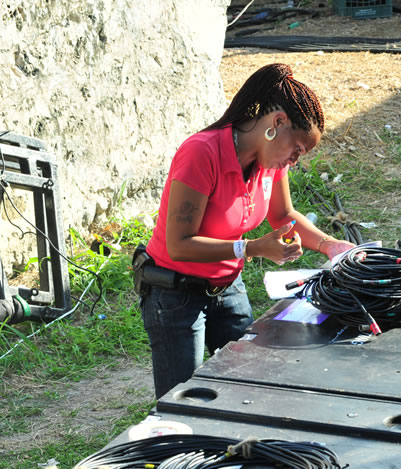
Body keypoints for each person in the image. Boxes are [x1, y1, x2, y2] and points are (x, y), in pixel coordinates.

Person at [139, 63, 355, 399]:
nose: (294, 161)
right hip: (175, 294)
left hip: (227, 287)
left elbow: (283, 214)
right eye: (296, 150)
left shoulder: (269, 163)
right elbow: (179, 245)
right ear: (277, 123)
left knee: (253, 385)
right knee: (182, 401)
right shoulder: (202, 152)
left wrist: (329, 245)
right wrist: (252, 248)